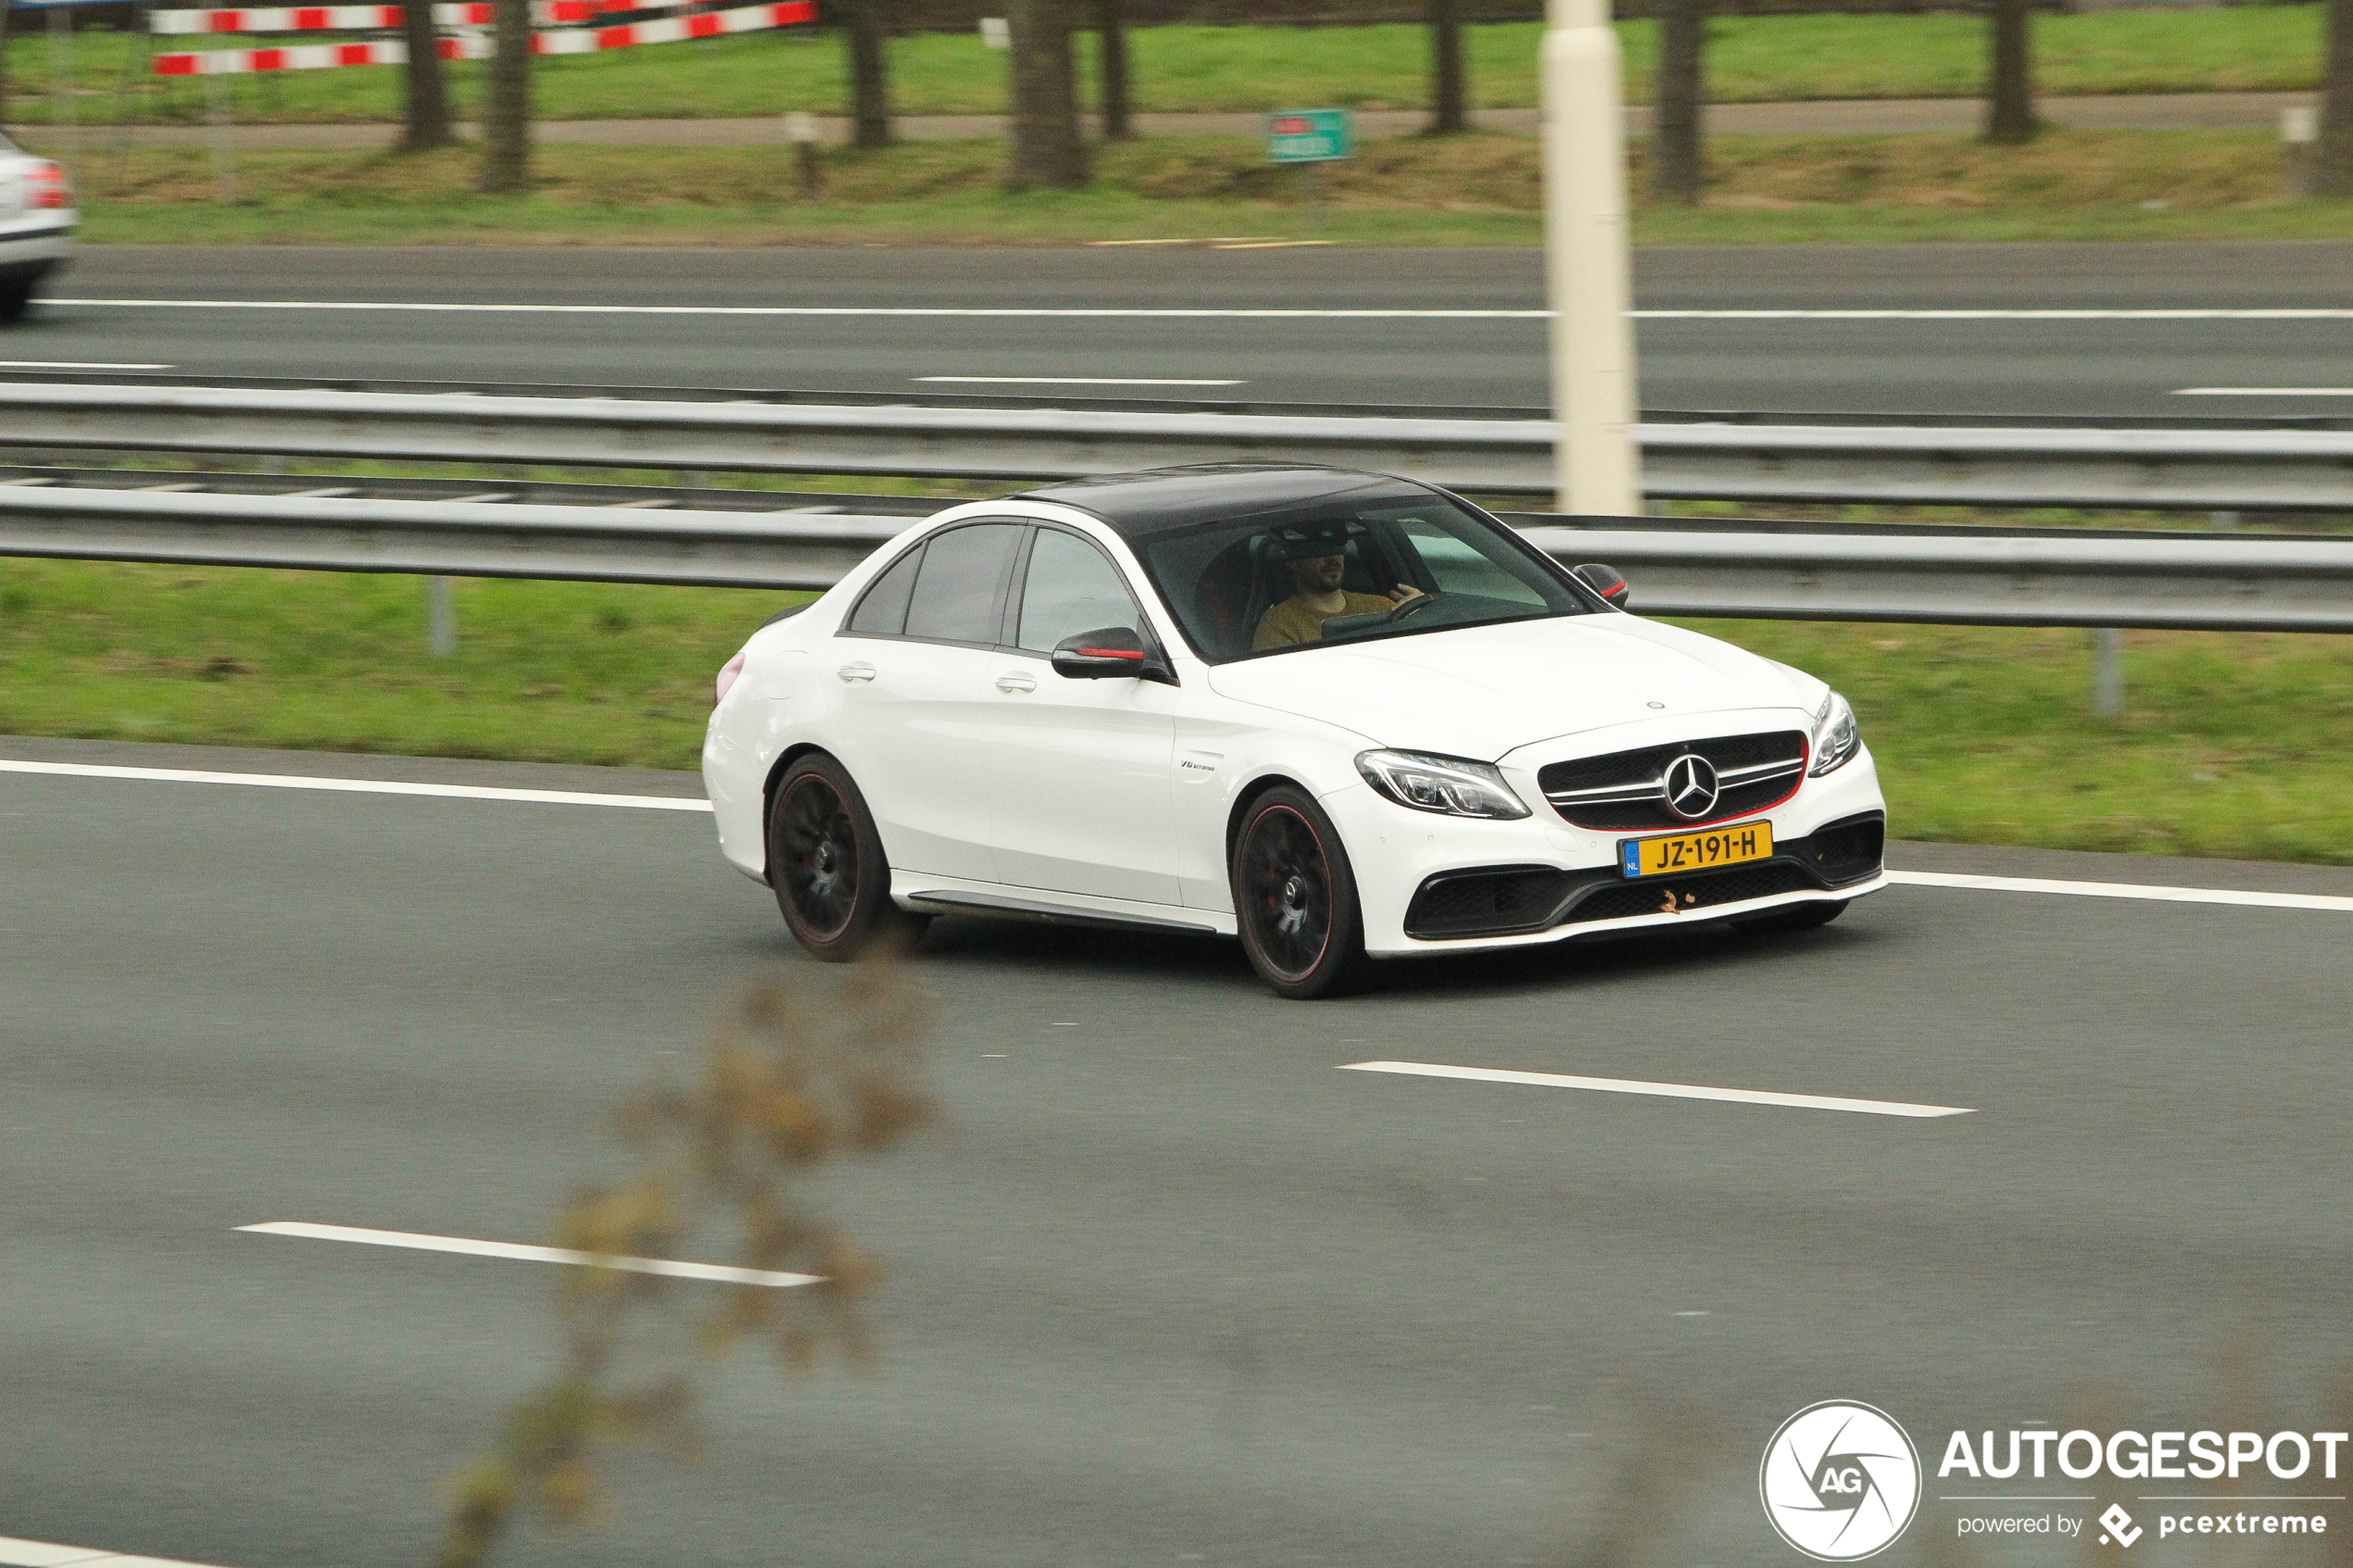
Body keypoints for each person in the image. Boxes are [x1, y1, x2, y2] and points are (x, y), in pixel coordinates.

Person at [1252, 532, 1426, 650]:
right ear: (1293, 562)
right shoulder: (1279, 624)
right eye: (1318, 550)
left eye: (1337, 547)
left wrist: (1421, 617)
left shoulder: (1385, 607)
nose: (1332, 558)